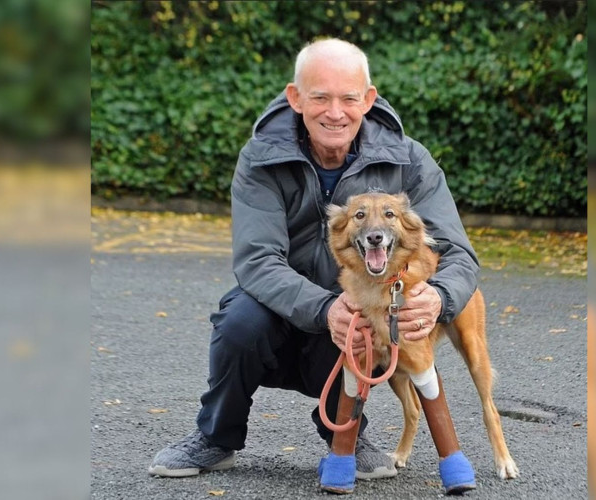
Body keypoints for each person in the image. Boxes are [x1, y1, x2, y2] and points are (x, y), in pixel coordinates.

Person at [149, 38, 480, 488]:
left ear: (368, 99)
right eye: (320, 97)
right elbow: (257, 261)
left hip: (360, 310)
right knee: (239, 321)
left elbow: (459, 253)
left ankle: (345, 436)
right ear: (295, 98)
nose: (335, 112)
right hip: (284, 311)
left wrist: (438, 299)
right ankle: (215, 437)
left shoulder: (409, 159)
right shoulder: (260, 159)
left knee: (363, 325)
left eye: (348, 98)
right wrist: (326, 309)